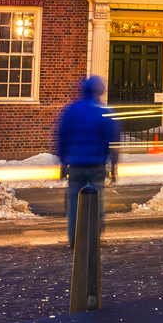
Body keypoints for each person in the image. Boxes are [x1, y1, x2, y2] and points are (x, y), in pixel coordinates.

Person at [53, 75, 120, 247]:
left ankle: (74, 238)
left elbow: (62, 136)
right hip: (97, 163)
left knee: (75, 201)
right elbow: (113, 140)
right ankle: (93, 237)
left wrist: (62, 162)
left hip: (75, 164)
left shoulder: (71, 110)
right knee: (96, 201)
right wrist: (114, 164)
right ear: (100, 90)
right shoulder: (104, 110)